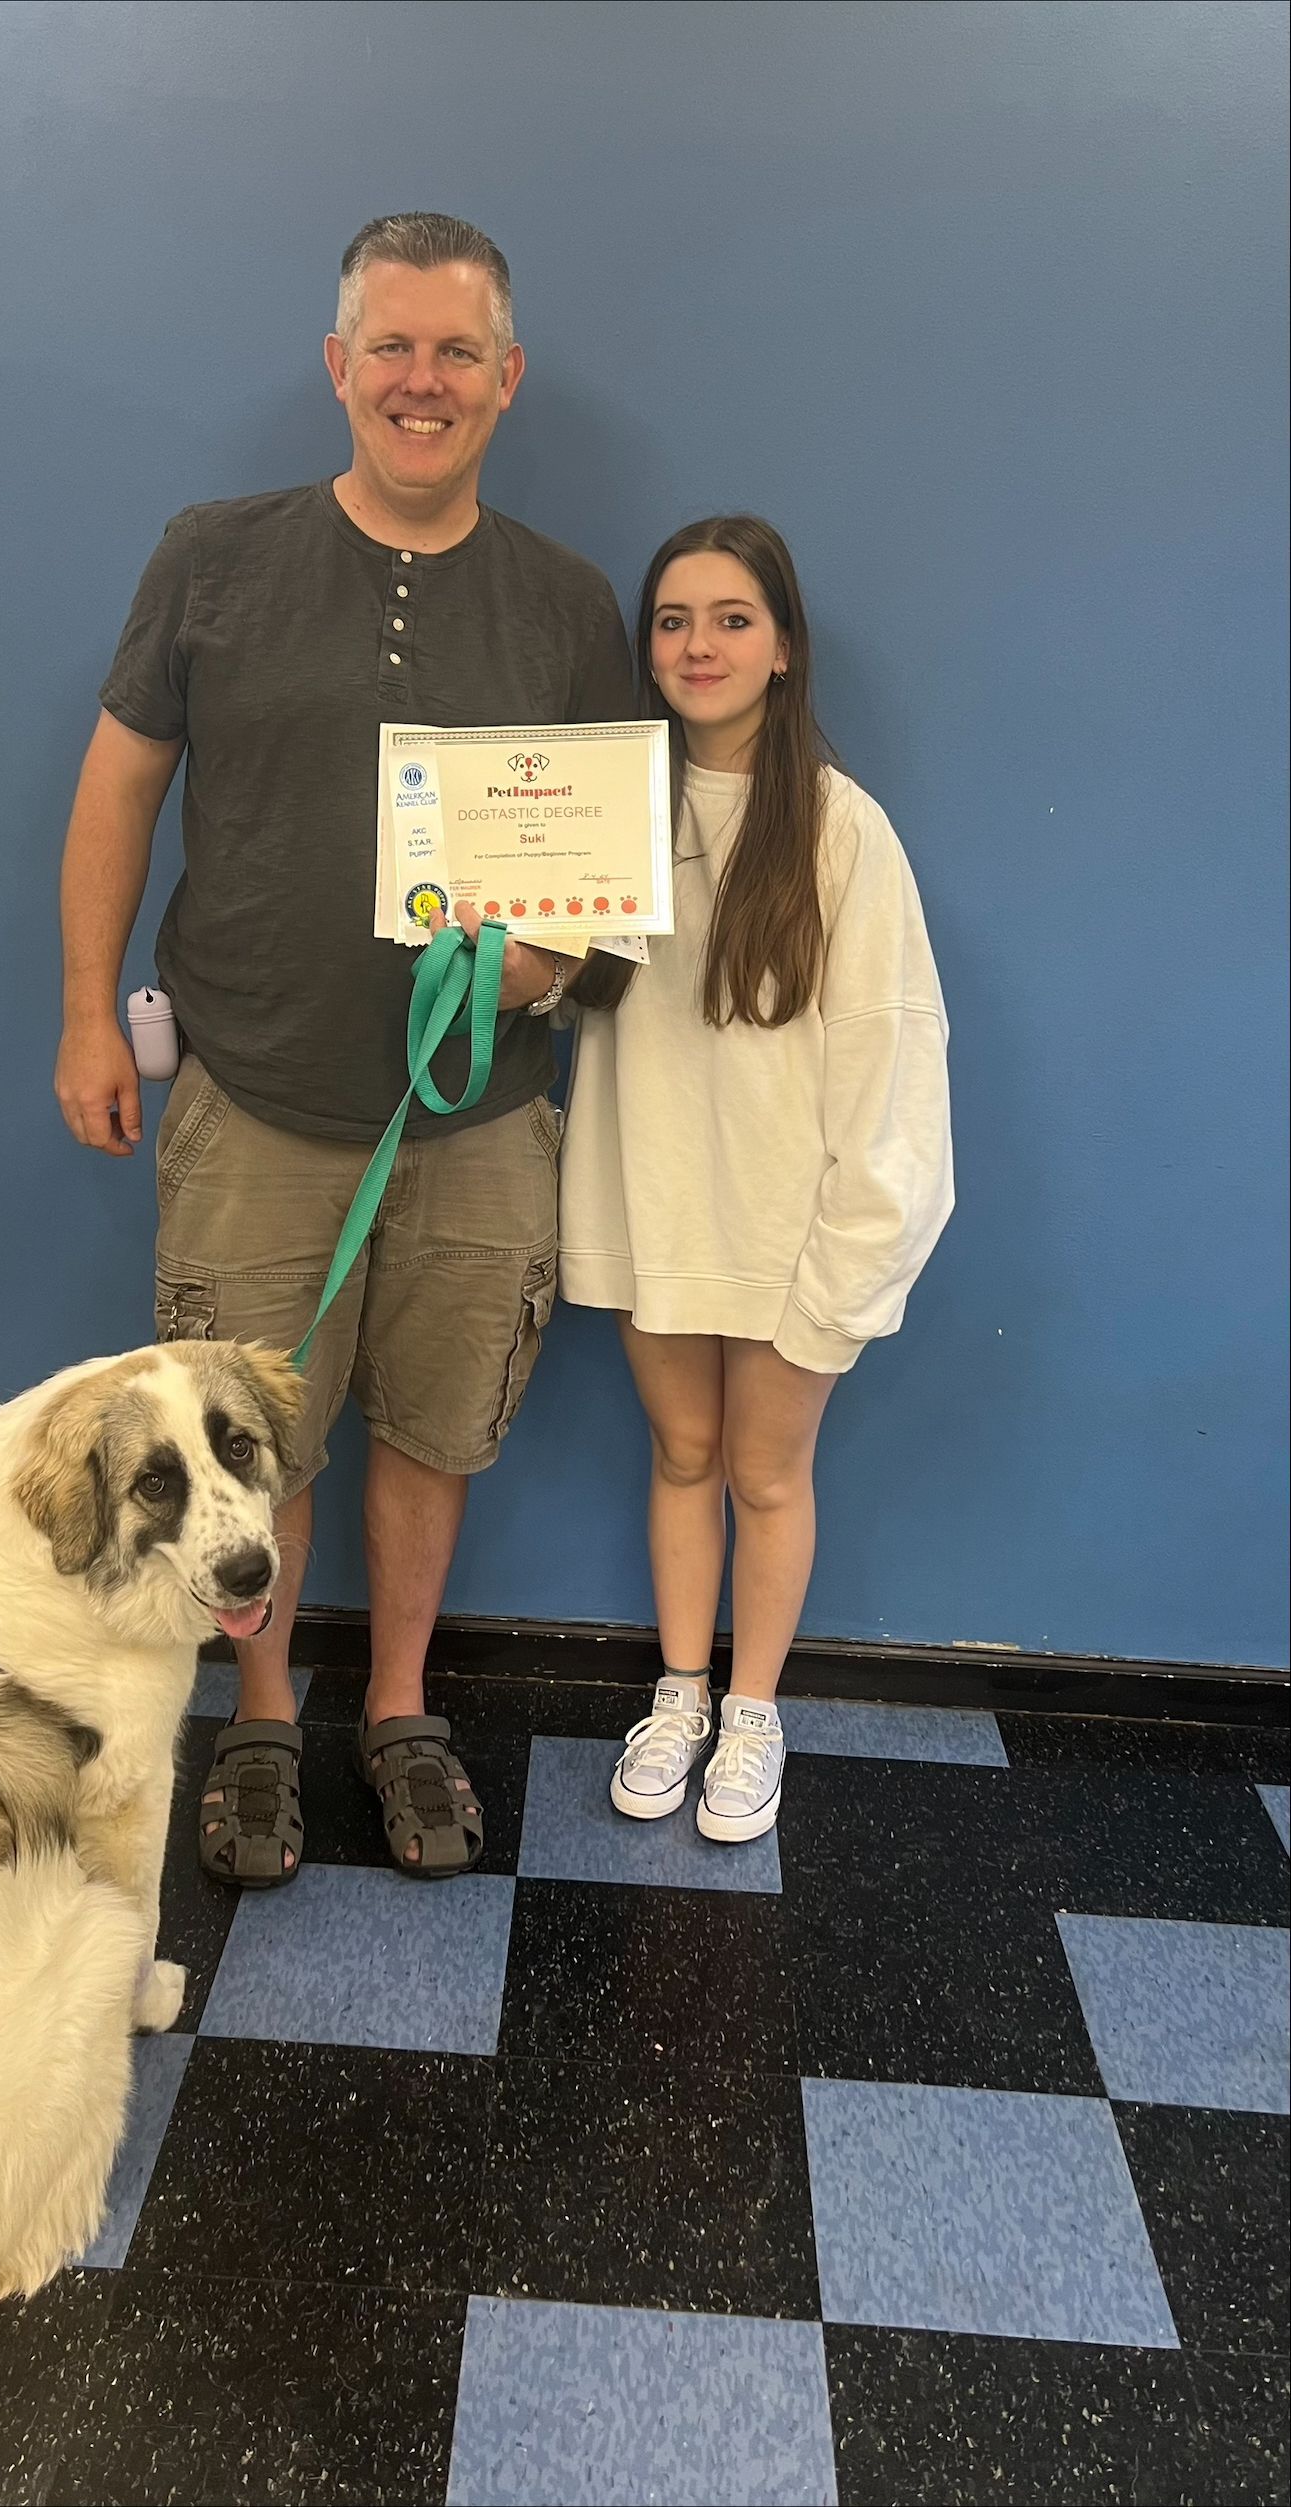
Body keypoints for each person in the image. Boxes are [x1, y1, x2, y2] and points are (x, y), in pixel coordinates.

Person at [54, 213, 631, 1884]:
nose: (422, 382)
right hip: (255, 1101)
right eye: (392, 346)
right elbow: (118, 788)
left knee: (437, 1425)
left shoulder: (566, 602)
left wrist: (554, 960)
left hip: (481, 1118)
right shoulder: (211, 559)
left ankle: (395, 1709)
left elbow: (613, 860)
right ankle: (253, 1721)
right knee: (244, 1450)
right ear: (339, 365)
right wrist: (90, 1010)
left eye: (458, 352)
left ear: (506, 381)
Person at [559, 516, 953, 1843]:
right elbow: (563, 995)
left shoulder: (843, 831)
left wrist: (856, 1252)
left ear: (784, 648)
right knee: (683, 1455)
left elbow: (892, 1057)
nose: (699, 644)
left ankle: (755, 1709)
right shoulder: (607, 810)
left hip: (791, 1227)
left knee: (766, 1476)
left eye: (732, 618)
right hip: (651, 1205)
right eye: (673, 620)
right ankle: (680, 1692)